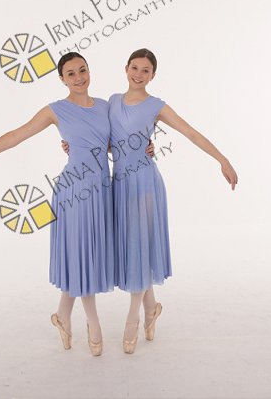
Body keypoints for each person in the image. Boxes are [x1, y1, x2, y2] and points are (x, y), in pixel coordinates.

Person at [63, 48, 238, 354]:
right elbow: (104, 142)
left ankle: (133, 319)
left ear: (153, 75)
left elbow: (191, 133)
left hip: (144, 183)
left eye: (145, 70)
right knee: (135, 250)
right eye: (135, 68)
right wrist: (72, 145)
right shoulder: (112, 102)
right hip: (117, 185)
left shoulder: (157, 106)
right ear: (126, 68)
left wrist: (222, 159)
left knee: (138, 247)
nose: (139, 74)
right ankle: (152, 307)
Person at [0, 52, 113, 356]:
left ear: (89, 71)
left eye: (82, 70)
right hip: (73, 192)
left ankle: (62, 316)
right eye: (71, 74)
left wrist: (147, 146)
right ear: (62, 79)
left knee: (84, 257)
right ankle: (94, 325)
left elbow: (113, 144)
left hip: (101, 191)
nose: (79, 78)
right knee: (83, 257)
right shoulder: (55, 110)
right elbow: (16, 135)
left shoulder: (105, 107)